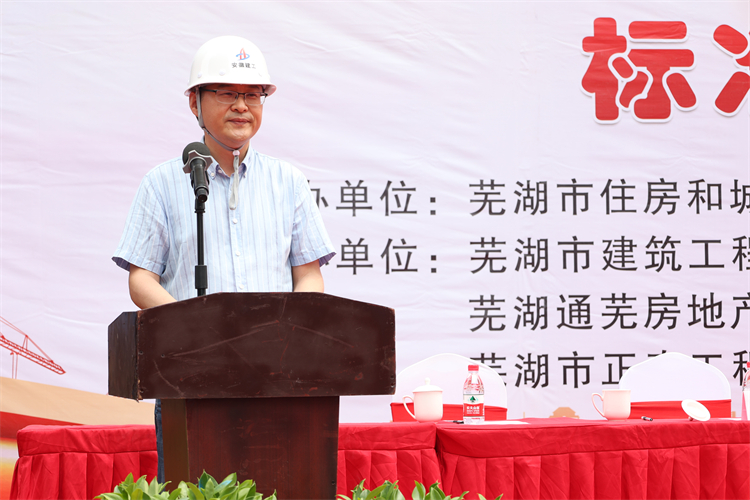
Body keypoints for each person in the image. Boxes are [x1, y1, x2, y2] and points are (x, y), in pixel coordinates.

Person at [112, 36, 335, 481]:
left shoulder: (288, 182)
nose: (241, 106)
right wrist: (195, 327)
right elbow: (141, 279)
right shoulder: (162, 183)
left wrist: (286, 331)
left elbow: (309, 276)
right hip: (191, 375)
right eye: (227, 93)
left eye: (253, 95)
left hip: (276, 375)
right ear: (194, 102)